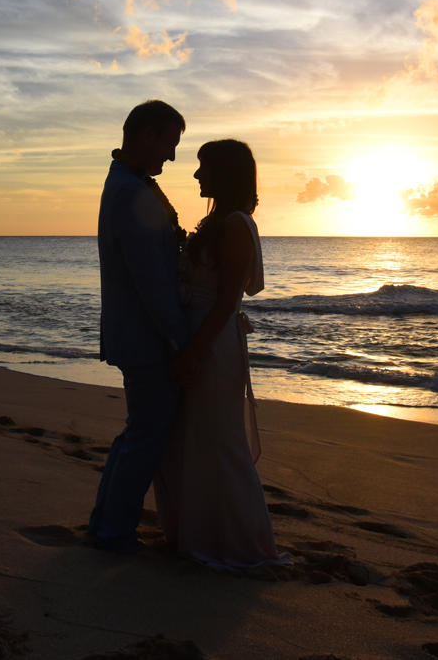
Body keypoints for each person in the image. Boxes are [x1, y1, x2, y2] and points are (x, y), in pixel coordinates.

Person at [154, 139, 291, 569]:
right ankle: (195, 535)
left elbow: (227, 301)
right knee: (190, 443)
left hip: (212, 347)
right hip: (196, 341)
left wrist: (191, 354)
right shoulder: (216, 223)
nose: (197, 175)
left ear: (224, 173)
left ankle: (240, 544)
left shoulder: (235, 224)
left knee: (220, 442)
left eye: (203, 167)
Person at [88, 100, 193, 553]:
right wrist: (179, 341)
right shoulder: (131, 192)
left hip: (135, 336)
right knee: (145, 437)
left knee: (138, 431)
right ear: (147, 135)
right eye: (170, 144)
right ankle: (113, 531)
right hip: (146, 340)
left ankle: (105, 522)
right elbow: (152, 281)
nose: (171, 156)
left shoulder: (126, 183)